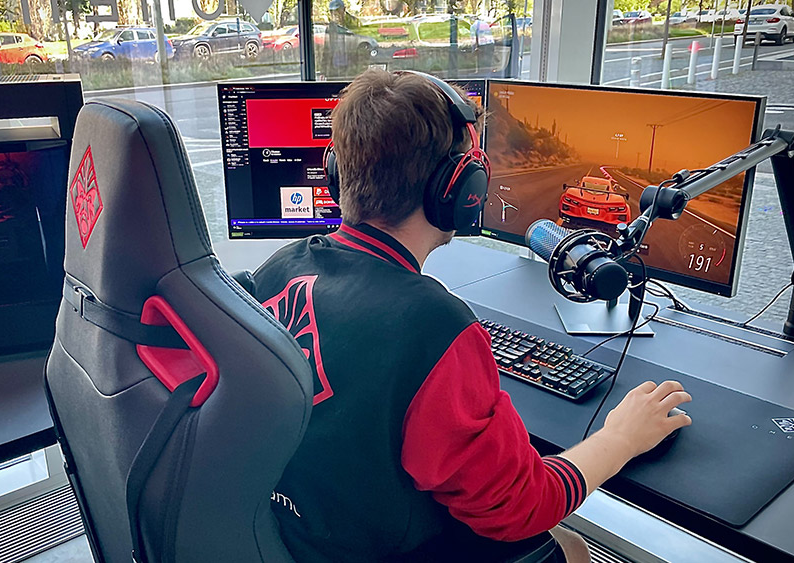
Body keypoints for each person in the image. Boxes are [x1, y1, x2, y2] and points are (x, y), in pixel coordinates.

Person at [253, 69, 692, 563]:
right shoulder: (435, 327)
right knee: (571, 546)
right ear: (460, 189)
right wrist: (621, 438)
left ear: (337, 171)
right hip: (376, 549)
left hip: (291, 532)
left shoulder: (278, 269)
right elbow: (524, 506)